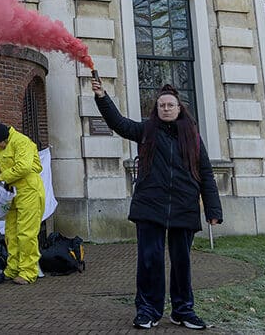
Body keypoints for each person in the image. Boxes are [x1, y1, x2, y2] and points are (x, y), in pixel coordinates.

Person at [92, 80, 223, 330]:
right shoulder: (146, 130)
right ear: (157, 109)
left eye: (170, 105)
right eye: (161, 105)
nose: (165, 108)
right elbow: (118, 123)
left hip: (184, 207)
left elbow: (205, 173)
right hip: (150, 206)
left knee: (182, 263)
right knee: (149, 261)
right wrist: (102, 97)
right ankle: (147, 311)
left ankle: (183, 310)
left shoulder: (193, 137)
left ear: (179, 108)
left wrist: (213, 209)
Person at [0, 120, 45, 285]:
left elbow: (23, 167)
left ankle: (28, 272)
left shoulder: (21, 141)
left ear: (5, 136)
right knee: (11, 233)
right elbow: (6, 165)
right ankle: (13, 268)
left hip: (29, 191)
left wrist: (2, 176)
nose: (0, 146)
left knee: (26, 233)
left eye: (1, 143)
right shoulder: (0, 146)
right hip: (12, 193)